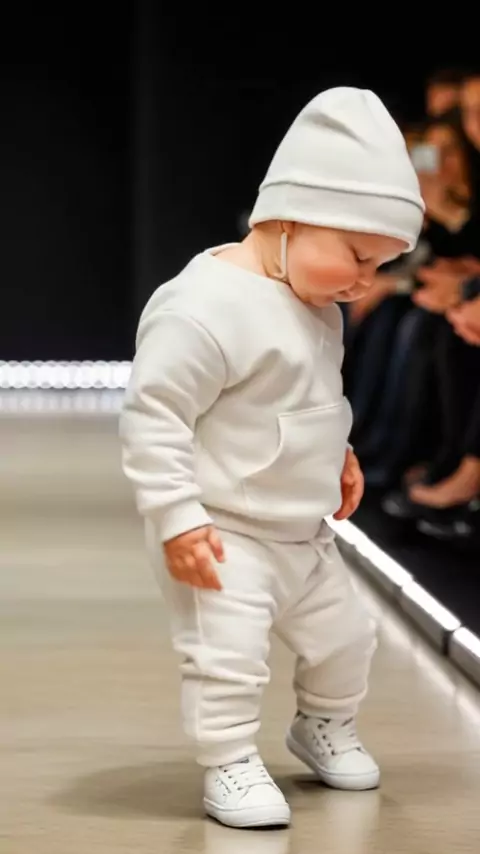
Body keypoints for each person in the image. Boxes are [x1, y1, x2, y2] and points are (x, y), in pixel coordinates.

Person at [120, 87, 424, 830]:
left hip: (303, 532)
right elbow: (155, 417)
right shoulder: (203, 306)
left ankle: (322, 723)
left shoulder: (318, 302)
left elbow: (311, 395)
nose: (365, 282)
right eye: (357, 256)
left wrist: (338, 453)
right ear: (288, 216)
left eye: (382, 265)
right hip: (222, 532)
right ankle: (228, 758)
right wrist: (177, 518)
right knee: (227, 656)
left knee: (348, 638)